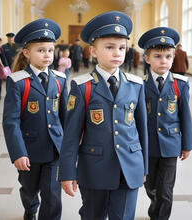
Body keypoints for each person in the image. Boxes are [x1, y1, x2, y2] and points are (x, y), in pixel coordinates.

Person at [58, 11, 148, 220]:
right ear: (93, 51)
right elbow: (71, 135)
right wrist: (67, 172)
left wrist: (143, 166)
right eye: (109, 47)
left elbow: (142, 130)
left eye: (122, 48)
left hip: (129, 167)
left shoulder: (136, 85)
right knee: (92, 215)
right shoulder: (82, 87)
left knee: (124, 216)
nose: (117, 53)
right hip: (94, 170)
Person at [2, 18, 68, 220]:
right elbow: (11, 121)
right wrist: (18, 153)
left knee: (53, 195)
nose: (47, 55)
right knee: (30, 190)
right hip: (29, 150)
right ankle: (30, 210)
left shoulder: (60, 79)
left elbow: (66, 117)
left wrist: (70, 150)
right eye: (41, 50)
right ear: (27, 53)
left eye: (50, 50)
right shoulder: (18, 81)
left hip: (55, 149)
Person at [138, 27, 192, 220]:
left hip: (171, 145)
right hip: (148, 146)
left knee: (165, 190)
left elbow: (185, 116)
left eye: (168, 56)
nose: (164, 61)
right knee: (151, 186)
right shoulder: (139, 85)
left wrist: (187, 145)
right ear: (147, 58)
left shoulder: (180, 84)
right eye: (158, 56)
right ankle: (155, 208)